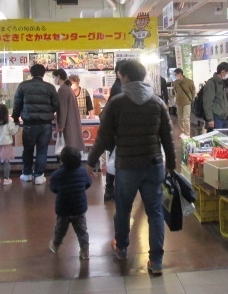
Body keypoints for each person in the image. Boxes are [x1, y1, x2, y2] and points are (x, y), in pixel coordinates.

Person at [86, 60, 176, 276]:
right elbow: (167, 138)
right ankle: (156, 261)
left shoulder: (116, 104)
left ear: (122, 75)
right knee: (155, 213)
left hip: (127, 166)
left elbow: (104, 138)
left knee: (123, 210)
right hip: (154, 165)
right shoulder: (157, 103)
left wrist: (91, 161)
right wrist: (171, 165)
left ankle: (122, 247)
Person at [12, 64, 59, 185]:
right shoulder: (50, 87)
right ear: (43, 74)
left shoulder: (23, 86)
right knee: (42, 150)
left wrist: (16, 118)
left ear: (31, 73)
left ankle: (27, 174)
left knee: (27, 150)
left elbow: (17, 104)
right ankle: (39, 175)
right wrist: (49, 112)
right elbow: (56, 105)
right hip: (46, 124)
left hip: (29, 123)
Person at [49, 146, 92, 261]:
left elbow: (53, 188)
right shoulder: (83, 172)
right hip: (79, 209)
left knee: (60, 230)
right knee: (82, 231)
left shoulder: (56, 175)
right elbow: (88, 184)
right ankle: (85, 250)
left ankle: (55, 245)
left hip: (63, 210)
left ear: (62, 160)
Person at [103, 60, 126, 202]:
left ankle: (110, 189)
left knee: (114, 159)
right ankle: (114, 190)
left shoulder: (117, 86)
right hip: (119, 131)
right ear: (119, 73)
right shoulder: (121, 87)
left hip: (114, 131)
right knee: (117, 161)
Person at [52, 69, 85, 152]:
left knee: (67, 148)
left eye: (54, 77)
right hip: (72, 122)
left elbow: (62, 109)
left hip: (67, 124)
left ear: (58, 77)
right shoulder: (68, 89)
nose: (54, 79)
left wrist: (61, 126)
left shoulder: (62, 90)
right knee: (72, 147)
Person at [202, 62, 228, 130]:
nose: (227, 75)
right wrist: (210, 119)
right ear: (222, 72)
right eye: (227, 72)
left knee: (222, 139)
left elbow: (224, 101)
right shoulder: (211, 83)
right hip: (216, 119)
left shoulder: (221, 83)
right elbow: (207, 102)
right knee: (216, 139)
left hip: (224, 118)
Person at [173, 68, 196, 137]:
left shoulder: (189, 81)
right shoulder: (175, 82)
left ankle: (187, 133)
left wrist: (190, 99)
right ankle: (183, 131)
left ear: (180, 74)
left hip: (187, 102)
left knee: (186, 118)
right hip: (179, 102)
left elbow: (193, 91)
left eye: (176, 74)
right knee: (180, 118)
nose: (175, 75)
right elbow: (176, 91)